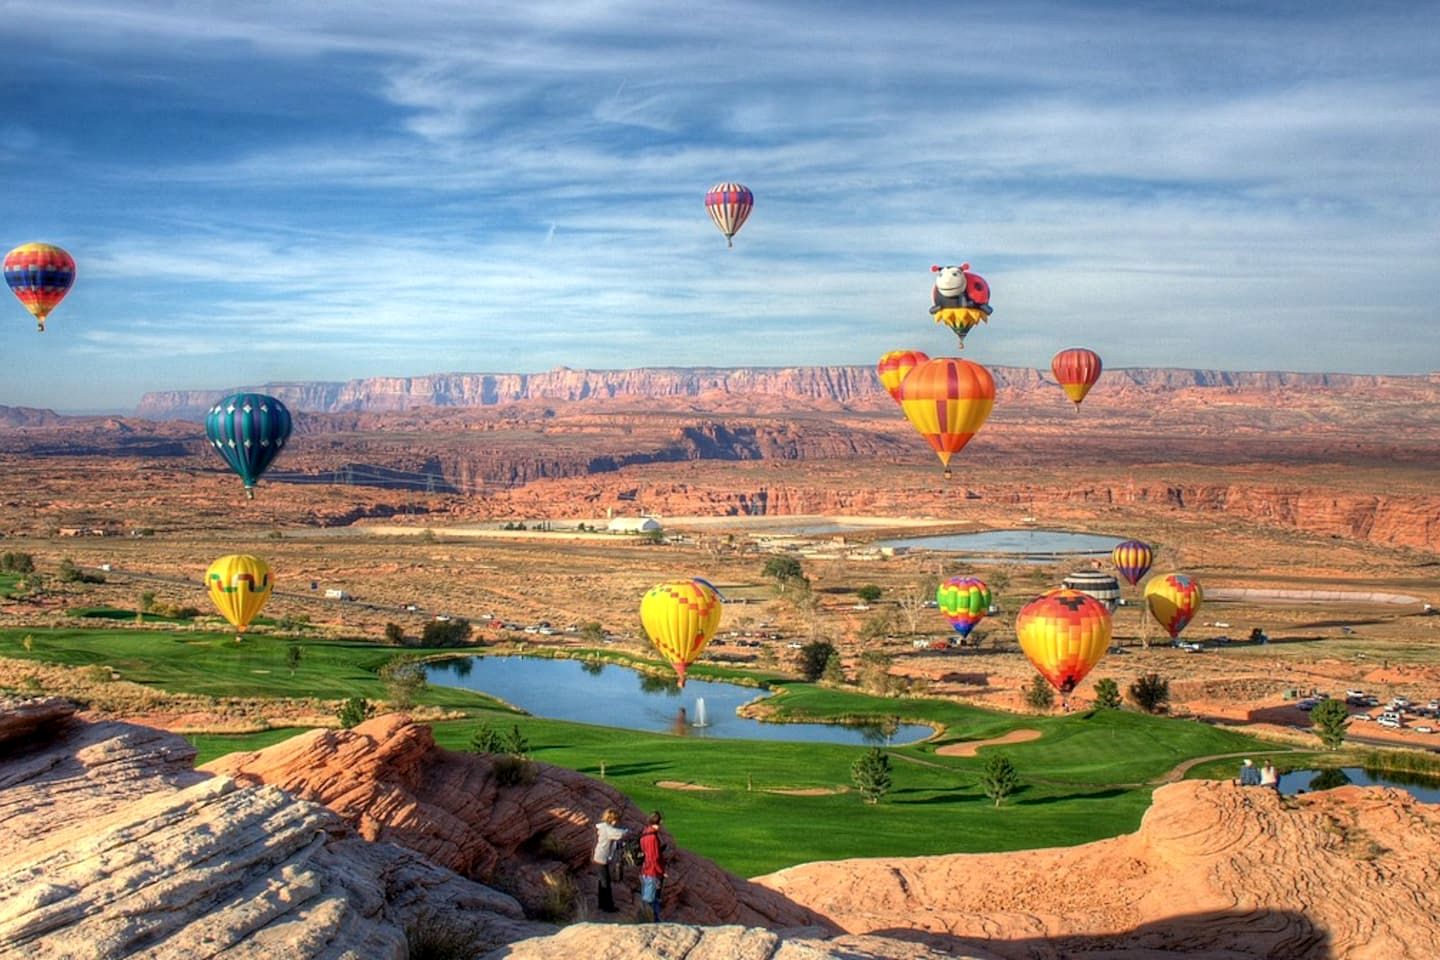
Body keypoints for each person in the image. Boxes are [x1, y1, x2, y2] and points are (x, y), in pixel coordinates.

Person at [591, 807, 626, 913]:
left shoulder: (602, 827)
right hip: (601, 858)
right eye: (615, 820)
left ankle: (602, 904)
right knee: (605, 882)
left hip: (599, 857)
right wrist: (626, 831)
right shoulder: (607, 829)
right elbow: (619, 834)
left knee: (602, 881)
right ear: (611, 819)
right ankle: (608, 906)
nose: (616, 822)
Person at [639, 810, 666, 922]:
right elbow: (654, 857)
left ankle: (653, 919)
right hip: (652, 871)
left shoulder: (645, 833)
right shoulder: (652, 837)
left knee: (650, 896)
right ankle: (651, 920)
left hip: (645, 869)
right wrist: (661, 871)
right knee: (650, 898)